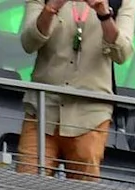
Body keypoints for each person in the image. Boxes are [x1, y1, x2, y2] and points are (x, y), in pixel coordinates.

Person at [15, 0, 128, 180]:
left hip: (90, 116)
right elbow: (28, 43)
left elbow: (122, 53)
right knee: (26, 187)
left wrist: (105, 15)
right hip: (42, 111)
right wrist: (50, 9)